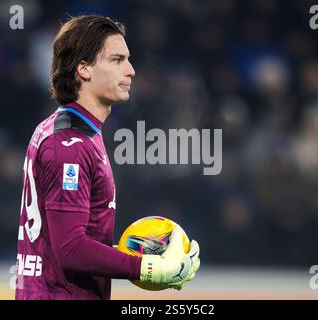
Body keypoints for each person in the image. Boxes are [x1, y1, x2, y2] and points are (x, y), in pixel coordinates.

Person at [15, 15, 200, 300]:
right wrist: (146, 268)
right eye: (117, 60)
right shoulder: (70, 145)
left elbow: (65, 241)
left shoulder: (68, 130)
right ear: (84, 69)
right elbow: (70, 249)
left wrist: (155, 255)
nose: (131, 70)